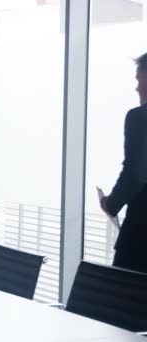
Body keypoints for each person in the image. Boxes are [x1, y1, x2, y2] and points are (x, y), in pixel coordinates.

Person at [100, 52, 147, 273]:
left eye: (139, 79)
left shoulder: (139, 117)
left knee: (122, 302)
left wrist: (111, 204)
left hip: (140, 237)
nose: (137, 88)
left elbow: (134, 173)